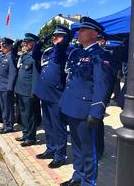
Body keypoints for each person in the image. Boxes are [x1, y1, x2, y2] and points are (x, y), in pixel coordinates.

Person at [59, 17, 115, 186]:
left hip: (85, 110)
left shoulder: (100, 55)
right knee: (76, 147)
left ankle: (88, 182)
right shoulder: (77, 53)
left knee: (88, 150)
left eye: (82, 30)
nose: (78, 33)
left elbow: (102, 85)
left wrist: (96, 112)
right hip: (71, 107)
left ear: (93, 34)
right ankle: (78, 177)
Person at [33, 25, 71, 169]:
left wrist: (63, 42)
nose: (54, 38)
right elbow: (35, 54)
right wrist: (41, 41)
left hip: (57, 95)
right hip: (45, 94)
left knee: (58, 127)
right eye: (54, 36)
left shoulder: (67, 51)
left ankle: (60, 155)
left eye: (58, 36)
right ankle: (50, 149)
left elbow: (61, 54)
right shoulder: (49, 51)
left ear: (65, 38)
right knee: (48, 124)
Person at [13, 33, 42, 147]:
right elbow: (14, 57)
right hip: (21, 89)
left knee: (30, 116)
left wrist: (33, 92)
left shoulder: (35, 57)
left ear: (34, 43)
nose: (25, 44)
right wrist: (16, 45)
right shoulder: (24, 56)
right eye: (25, 42)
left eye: (28, 42)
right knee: (24, 114)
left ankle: (31, 138)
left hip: (29, 91)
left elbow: (36, 75)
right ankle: (25, 133)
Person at [0, 38, 17, 134]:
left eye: (3, 46)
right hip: (1, 86)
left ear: (8, 47)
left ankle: (8, 126)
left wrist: (10, 88)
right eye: (1, 46)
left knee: (8, 108)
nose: (1, 48)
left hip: (6, 87)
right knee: (4, 107)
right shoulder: (3, 57)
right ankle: (5, 124)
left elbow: (12, 74)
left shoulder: (11, 57)